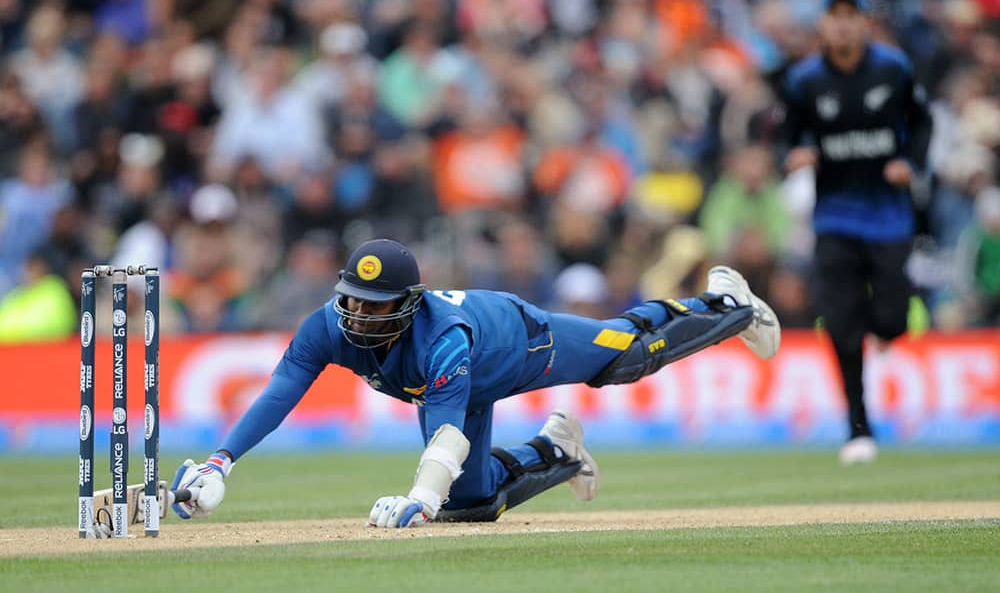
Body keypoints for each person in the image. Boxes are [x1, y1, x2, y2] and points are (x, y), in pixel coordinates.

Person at [170, 238, 780, 528]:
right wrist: (219, 463)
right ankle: (556, 451)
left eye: (375, 307)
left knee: (623, 356)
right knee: (474, 504)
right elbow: (279, 394)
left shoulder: (442, 338)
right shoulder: (328, 326)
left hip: (520, 342)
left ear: (408, 304)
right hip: (460, 386)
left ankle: (726, 300)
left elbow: (446, 435)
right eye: (353, 302)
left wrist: (419, 501)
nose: (359, 316)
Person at [780, 0, 933, 465]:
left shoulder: (893, 68)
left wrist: (911, 161)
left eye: (851, 16)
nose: (843, 25)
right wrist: (793, 154)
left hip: (889, 217)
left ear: (865, 23)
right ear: (823, 25)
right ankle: (858, 427)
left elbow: (923, 122)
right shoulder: (805, 79)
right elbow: (785, 134)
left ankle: (884, 331)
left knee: (891, 319)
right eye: (834, 16)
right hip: (835, 217)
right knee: (842, 325)